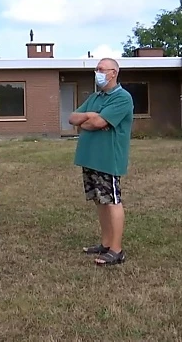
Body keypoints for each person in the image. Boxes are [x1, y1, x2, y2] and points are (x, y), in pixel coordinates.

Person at [69, 58, 134, 266]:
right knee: (100, 201)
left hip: (108, 159)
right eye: (96, 69)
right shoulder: (96, 97)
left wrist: (91, 120)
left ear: (113, 73)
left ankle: (116, 250)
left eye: (101, 69)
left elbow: (98, 122)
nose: (97, 72)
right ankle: (105, 243)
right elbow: (72, 118)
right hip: (90, 158)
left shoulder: (122, 98)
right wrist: (89, 115)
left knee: (112, 200)